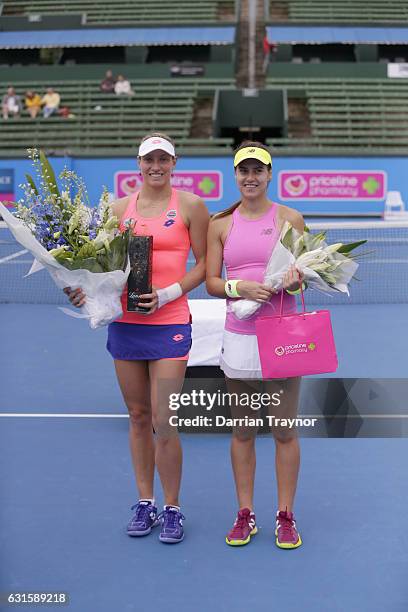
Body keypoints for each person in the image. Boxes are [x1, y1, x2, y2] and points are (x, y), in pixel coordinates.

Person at [64, 133, 209, 544]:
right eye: (149, 160)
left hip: (171, 322)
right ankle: (145, 502)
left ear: (174, 162)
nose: (156, 166)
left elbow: (203, 265)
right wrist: (82, 289)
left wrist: (167, 293)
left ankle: (173, 507)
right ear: (138, 164)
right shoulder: (115, 210)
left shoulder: (192, 206)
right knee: (138, 417)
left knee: (165, 420)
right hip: (126, 324)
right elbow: (98, 267)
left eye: (163, 159)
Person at [206, 141, 305, 549]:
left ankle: (285, 515)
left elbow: (306, 273)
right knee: (243, 430)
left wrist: (297, 279)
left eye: (257, 170)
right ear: (235, 175)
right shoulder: (220, 224)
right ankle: (245, 514)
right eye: (243, 171)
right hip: (239, 338)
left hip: (282, 338)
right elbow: (212, 282)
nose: (250, 177)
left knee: (284, 430)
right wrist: (238, 286)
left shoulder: (290, 218)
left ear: (269, 174)